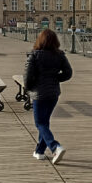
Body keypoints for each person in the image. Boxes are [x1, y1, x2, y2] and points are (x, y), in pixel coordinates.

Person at [23, 28, 73, 164]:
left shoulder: (34, 55)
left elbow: (27, 77)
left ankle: (55, 147)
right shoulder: (60, 55)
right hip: (53, 93)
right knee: (44, 122)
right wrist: (55, 79)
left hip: (39, 94)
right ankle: (39, 151)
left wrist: (28, 89)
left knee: (40, 123)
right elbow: (68, 73)